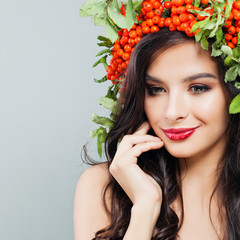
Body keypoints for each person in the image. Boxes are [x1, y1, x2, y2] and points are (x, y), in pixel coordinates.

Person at [73, 27, 240, 239]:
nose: (172, 112)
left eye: (198, 88)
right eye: (156, 90)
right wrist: (145, 207)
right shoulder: (102, 188)